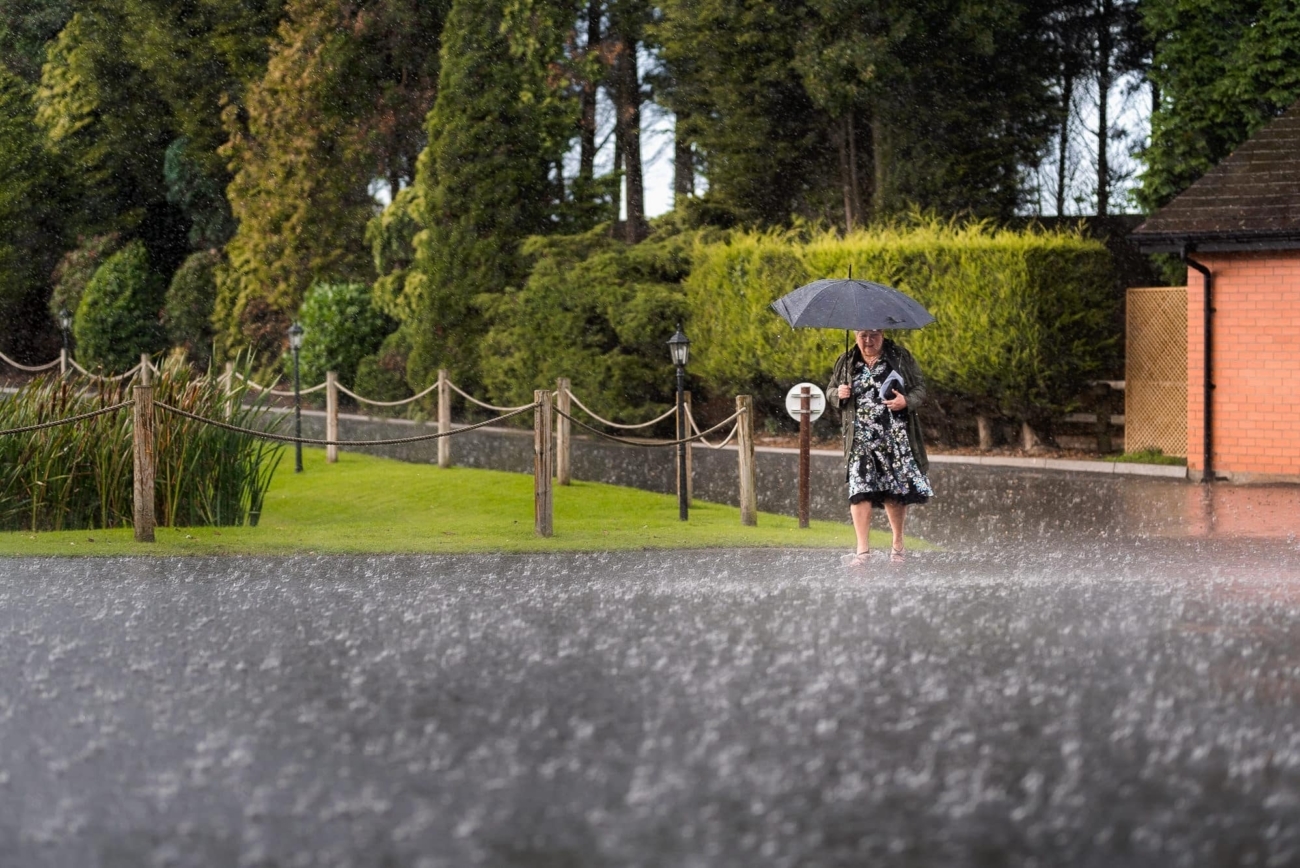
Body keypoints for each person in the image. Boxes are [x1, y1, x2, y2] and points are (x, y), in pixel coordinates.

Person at [826, 328, 933, 566]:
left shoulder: (900, 356)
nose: (868, 340)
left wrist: (906, 401)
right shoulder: (846, 360)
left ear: (882, 334)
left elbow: (920, 388)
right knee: (859, 489)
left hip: (894, 436)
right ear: (855, 336)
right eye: (863, 335)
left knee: (893, 491)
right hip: (859, 439)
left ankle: (897, 544)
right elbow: (831, 390)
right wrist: (838, 394)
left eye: (873, 334)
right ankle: (862, 551)